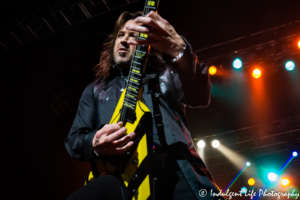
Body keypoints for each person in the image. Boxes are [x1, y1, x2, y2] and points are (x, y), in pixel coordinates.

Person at [65, 10, 222, 200]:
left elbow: (200, 96)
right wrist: (94, 142)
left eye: (132, 36)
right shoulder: (95, 89)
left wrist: (180, 52)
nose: (123, 40)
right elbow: (74, 141)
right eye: (120, 35)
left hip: (177, 171)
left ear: (145, 45)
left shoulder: (167, 75)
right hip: (120, 180)